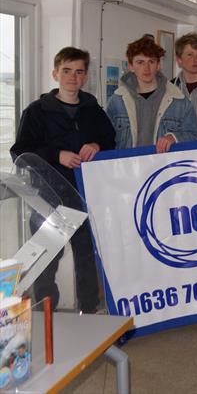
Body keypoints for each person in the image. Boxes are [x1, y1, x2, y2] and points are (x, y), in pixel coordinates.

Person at [10, 47, 116, 313]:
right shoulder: (36, 111)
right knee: (48, 257)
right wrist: (57, 155)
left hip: (86, 193)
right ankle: (46, 310)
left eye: (79, 71)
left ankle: (89, 308)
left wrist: (97, 144)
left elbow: (111, 141)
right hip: (48, 196)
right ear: (55, 73)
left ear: (85, 76)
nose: (73, 76)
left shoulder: (94, 109)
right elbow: (20, 152)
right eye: (67, 71)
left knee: (86, 254)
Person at [106, 35, 197, 152]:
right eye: (140, 62)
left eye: (151, 61)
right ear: (131, 66)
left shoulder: (179, 101)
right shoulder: (116, 102)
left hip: (163, 167)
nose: (146, 68)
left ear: (158, 65)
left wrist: (174, 138)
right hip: (127, 168)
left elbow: (195, 137)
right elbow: (104, 140)